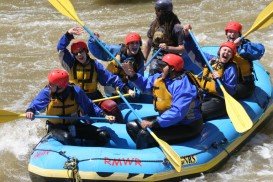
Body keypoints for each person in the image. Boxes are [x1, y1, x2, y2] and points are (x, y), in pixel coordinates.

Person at [121, 53, 203, 149]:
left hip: (187, 125)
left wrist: (154, 123)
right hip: (168, 121)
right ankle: (151, 148)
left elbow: (177, 112)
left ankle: (147, 154)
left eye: (163, 66)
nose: (160, 68)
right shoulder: (161, 77)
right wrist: (133, 75)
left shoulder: (184, 87)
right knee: (132, 126)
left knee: (144, 135)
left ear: (172, 68)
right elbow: (145, 85)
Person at [57, 27, 134, 122]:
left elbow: (110, 78)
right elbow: (61, 49)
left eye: (81, 51)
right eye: (76, 53)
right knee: (83, 118)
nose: (79, 55)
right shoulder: (70, 64)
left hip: (94, 97)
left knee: (112, 106)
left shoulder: (95, 65)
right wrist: (68, 35)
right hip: (77, 100)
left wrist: (126, 89)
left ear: (86, 51)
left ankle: (122, 126)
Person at [25, 69, 115, 146]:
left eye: (51, 84)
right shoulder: (47, 92)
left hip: (74, 125)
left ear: (60, 86)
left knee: (103, 135)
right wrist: (30, 110)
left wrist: (104, 115)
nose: (49, 85)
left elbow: (89, 105)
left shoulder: (76, 91)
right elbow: (36, 103)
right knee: (67, 137)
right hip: (55, 128)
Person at [88, 32, 146, 99]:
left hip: (128, 87)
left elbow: (140, 78)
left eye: (137, 43)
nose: (135, 45)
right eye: (132, 43)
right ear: (127, 45)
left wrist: (137, 92)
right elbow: (99, 50)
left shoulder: (139, 59)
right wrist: (93, 40)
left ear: (140, 44)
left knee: (136, 96)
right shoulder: (116, 50)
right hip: (112, 83)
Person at [196, 42, 238, 120]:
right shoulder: (212, 60)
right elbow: (197, 52)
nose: (226, 53)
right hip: (204, 94)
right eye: (224, 50)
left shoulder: (231, 69)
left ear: (231, 56)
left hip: (220, 99)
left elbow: (231, 91)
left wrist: (220, 81)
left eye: (229, 52)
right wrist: (187, 37)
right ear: (219, 51)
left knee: (195, 113)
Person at [143, 0, 186, 75]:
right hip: (156, 57)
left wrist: (167, 48)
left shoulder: (177, 28)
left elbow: (182, 49)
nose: (155, 12)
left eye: (157, 10)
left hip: (171, 59)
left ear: (164, 12)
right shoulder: (154, 24)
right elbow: (149, 43)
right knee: (154, 75)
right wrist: (144, 60)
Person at [224, 21, 265, 99]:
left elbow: (260, 50)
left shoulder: (245, 46)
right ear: (226, 33)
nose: (232, 34)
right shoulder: (225, 46)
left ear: (239, 35)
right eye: (230, 32)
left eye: (235, 32)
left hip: (245, 84)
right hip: (230, 82)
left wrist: (241, 46)